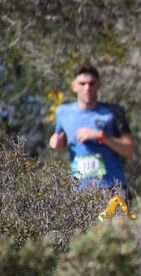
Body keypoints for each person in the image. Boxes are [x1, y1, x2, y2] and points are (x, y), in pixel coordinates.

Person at [49, 63, 136, 199]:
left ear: (99, 85)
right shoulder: (62, 112)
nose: (87, 88)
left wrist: (101, 137)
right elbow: (58, 138)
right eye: (82, 84)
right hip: (80, 193)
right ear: (74, 86)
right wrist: (55, 142)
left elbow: (129, 150)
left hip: (113, 188)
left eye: (91, 84)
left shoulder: (113, 112)